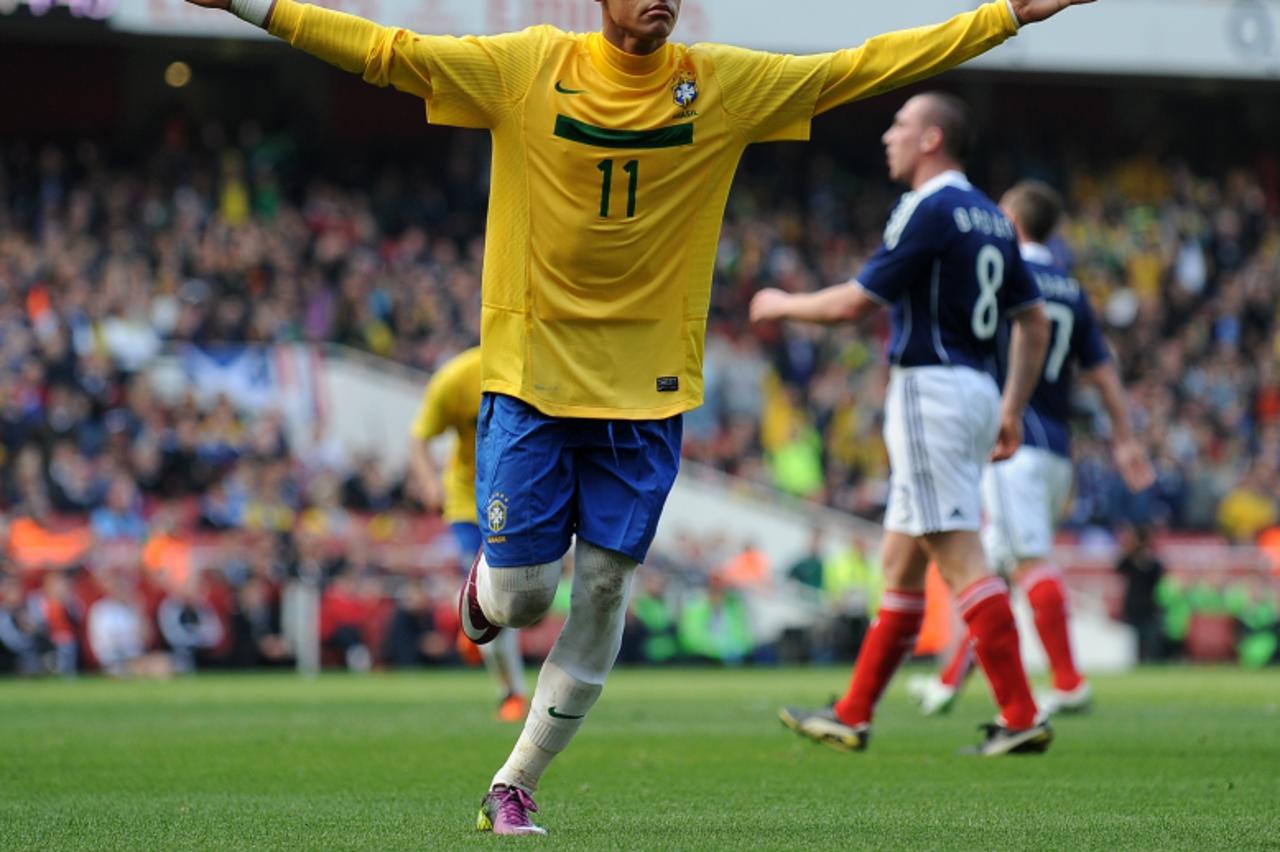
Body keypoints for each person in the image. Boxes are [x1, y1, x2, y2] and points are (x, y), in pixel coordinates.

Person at [189, 0, 1097, 833]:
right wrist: (249, 5)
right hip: (534, 384)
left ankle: (515, 782)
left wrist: (1007, 14)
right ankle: (486, 593)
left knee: (603, 591)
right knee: (522, 598)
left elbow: (862, 65)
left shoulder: (721, 85)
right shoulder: (527, 68)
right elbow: (386, 51)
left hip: (648, 398)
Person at [752, 92, 1053, 755]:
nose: (889, 135)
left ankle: (1021, 714)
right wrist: (1010, 406)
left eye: (901, 125)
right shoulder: (994, 218)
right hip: (976, 390)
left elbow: (857, 304)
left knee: (960, 554)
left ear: (932, 139)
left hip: (930, 391)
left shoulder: (929, 206)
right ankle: (853, 712)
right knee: (900, 561)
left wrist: (781, 304)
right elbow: (1033, 322)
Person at [906, 180, 1155, 718]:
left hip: (1011, 441)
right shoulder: (1071, 288)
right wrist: (1125, 439)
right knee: (991, 568)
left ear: (1013, 222)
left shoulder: (1002, 275)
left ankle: (1068, 682)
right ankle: (949, 683)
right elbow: (1103, 372)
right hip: (1058, 449)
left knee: (1023, 562)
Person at [407, 346, 529, 723]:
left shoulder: (535, 367)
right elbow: (419, 438)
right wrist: (429, 483)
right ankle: (511, 692)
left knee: (507, 598)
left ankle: (471, 619)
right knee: (496, 595)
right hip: (468, 500)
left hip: (521, 494)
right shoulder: (455, 379)